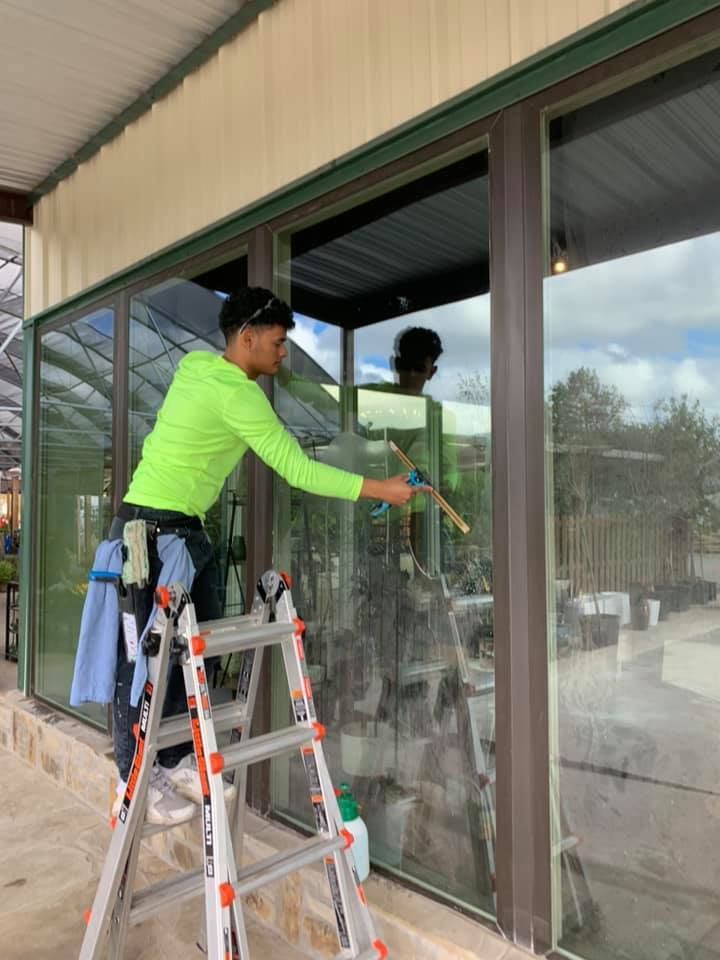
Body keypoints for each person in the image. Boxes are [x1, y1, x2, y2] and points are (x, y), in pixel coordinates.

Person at [109, 286, 424, 823]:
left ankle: (177, 756)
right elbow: (298, 470)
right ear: (246, 338)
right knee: (145, 666)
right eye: (277, 343)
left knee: (191, 660)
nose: (283, 353)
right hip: (154, 539)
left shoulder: (196, 367)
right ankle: (132, 778)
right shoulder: (238, 396)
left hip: (181, 531)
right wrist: (381, 490)